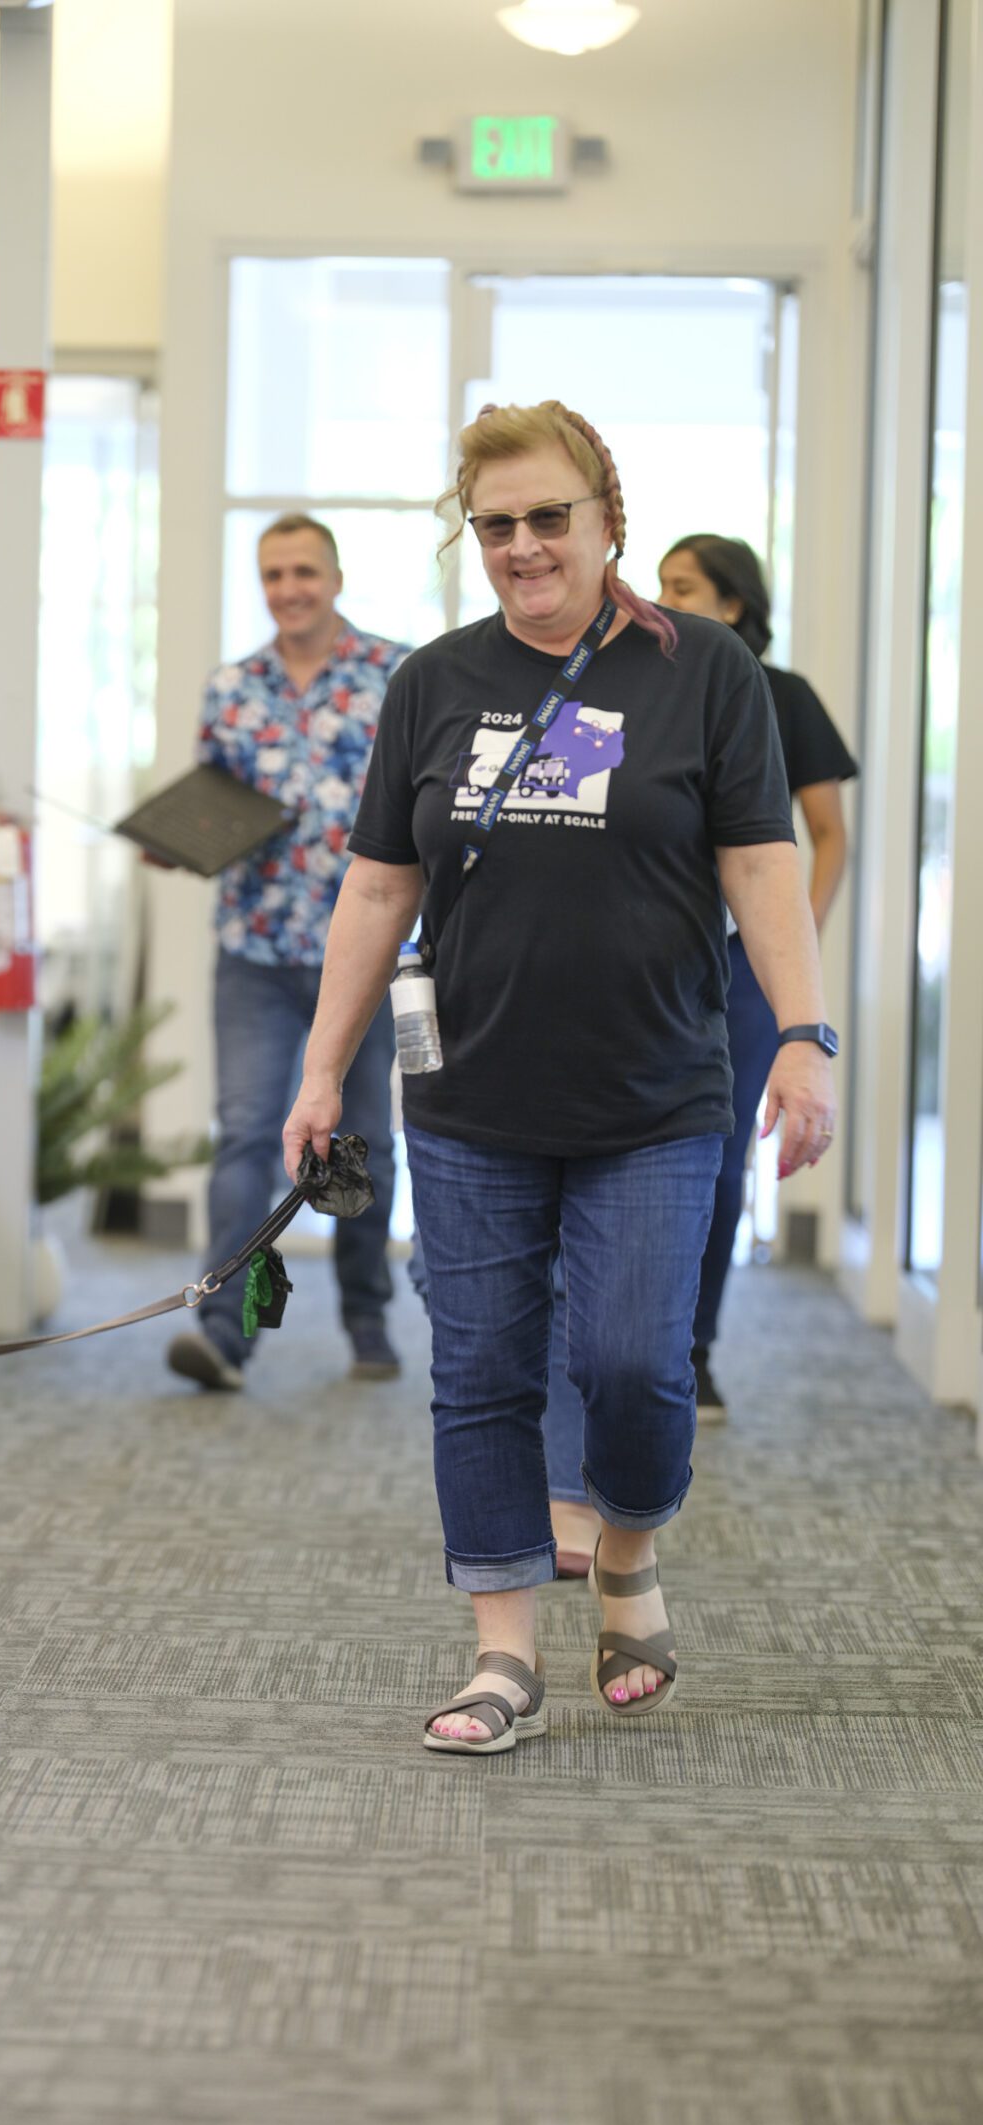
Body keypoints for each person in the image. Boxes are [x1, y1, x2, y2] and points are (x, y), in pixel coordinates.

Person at [282, 400, 836, 1755]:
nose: (524, 547)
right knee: (479, 1371)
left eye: (548, 519)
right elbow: (376, 886)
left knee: (635, 1362)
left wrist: (806, 1035)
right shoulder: (431, 682)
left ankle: (632, 1551)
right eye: (496, 526)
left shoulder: (703, 671)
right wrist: (319, 1074)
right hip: (469, 1096)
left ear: (607, 523)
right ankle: (503, 1650)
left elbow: (763, 862)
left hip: (654, 1093)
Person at [166, 514, 409, 1394]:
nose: (288, 589)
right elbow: (208, 805)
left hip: (364, 956)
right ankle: (228, 1330)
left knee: (356, 1146)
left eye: (304, 571)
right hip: (256, 952)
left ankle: (365, 1319)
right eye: (273, 575)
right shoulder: (232, 688)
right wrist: (179, 840)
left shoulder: (394, 674)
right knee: (245, 1139)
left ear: (336, 578)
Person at [658, 533, 857, 1421]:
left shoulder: (784, 698)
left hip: (742, 962)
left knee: (718, 1150)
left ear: (735, 603)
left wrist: (792, 950)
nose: (664, 599)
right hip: (651, 952)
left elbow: (829, 835)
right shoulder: (646, 687)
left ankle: (693, 1350)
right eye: (660, 585)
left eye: (685, 587)